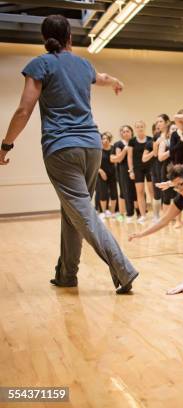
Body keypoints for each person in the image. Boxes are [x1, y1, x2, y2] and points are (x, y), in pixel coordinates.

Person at [0, 14, 137, 293]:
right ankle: (66, 274)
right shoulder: (83, 64)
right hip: (92, 147)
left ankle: (123, 268)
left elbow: (23, 110)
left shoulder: (40, 64)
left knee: (83, 214)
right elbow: (103, 78)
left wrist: (6, 145)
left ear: (44, 38)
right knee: (73, 211)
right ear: (70, 38)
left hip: (62, 149)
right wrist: (116, 82)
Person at [128, 120, 153, 223]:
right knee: (140, 192)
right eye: (137, 127)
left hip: (150, 168)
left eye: (141, 126)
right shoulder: (132, 141)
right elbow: (129, 157)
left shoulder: (151, 140)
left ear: (145, 127)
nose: (140, 128)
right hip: (138, 169)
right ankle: (143, 215)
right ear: (135, 129)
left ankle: (156, 215)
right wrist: (131, 171)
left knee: (152, 191)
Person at [111, 124, 137, 222]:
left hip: (136, 169)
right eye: (123, 131)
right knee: (125, 192)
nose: (125, 133)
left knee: (136, 191)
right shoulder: (118, 144)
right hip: (123, 170)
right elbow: (118, 159)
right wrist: (125, 150)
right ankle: (125, 214)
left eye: (127, 131)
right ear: (121, 133)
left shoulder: (135, 142)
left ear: (131, 132)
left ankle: (139, 213)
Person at [95, 131, 118, 218]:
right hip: (101, 174)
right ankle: (103, 212)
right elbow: (94, 164)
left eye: (107, 139)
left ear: (110, 140)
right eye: (103, 139)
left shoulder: (113, 148)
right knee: (103, 193)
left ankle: (112, 212)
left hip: (113, 174)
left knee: (113, 193)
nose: (105, 140)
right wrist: (101, 171)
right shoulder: (98, 150)